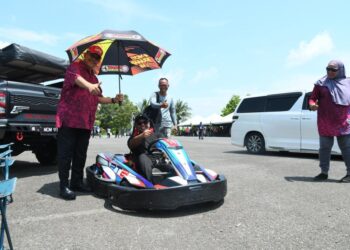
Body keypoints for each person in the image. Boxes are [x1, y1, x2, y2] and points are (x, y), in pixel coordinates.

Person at [56, 45, 124, 200]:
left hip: (86, 121)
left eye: (97, 58)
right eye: (92, 56)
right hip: (69, 120)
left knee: (80, 154)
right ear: (85, 55)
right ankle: (63, 186)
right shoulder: (75, 67)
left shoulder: (94, 77)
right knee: (65, 154)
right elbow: (77, 79)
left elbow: (98, 97)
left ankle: (77, 182)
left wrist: (114, 99)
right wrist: (89, 86)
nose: (93, 59)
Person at [309, 60, 350, 182]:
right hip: (325, 121)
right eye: (328, 69)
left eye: (333, 70)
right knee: (325, 148)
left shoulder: (348, 83)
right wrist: (312, 105)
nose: (330, 72)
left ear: (340, 70)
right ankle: (324, 172)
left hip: (344, 121)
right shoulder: (321, 83)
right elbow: (312, 98)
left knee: (347, 148)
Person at [127, 114, 158, 181]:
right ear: (136, 126)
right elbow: (131, 144)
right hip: (142, 160)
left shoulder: (157, 135)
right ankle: (150, 185)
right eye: (139, 123)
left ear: (149, 123)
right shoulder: (134, 137)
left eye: (145, 122)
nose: (142, 124)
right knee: (142, 157)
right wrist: (141, 136)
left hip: (157, 158)